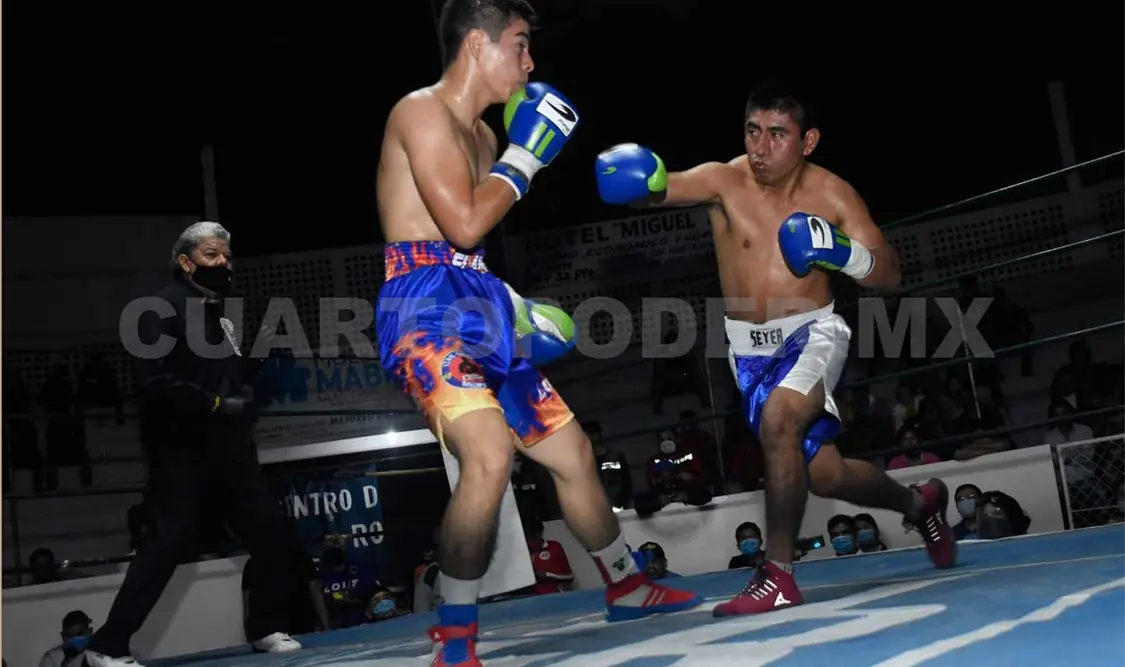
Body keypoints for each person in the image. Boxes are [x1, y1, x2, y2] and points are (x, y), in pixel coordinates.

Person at [373, 1, 701, 663]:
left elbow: (469, 251)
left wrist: (515, 305)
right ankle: (455, 633)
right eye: (519, 45)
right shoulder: (420, 111)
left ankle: (625, 583)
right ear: (477, 43)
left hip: (479, 299)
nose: (529, 63)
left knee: (572, 453)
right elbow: (461, 224)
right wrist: (529, 156)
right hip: (421, 308)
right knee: (489, 451)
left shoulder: (488, 140)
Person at [596, 81, 957, 617]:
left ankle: (778, 574)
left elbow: (890, 271)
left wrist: (840, 253)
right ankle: (919, 503)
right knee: (828, 475)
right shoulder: (724, 180)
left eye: (777, 135)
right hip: (747, 353)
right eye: (752, 131)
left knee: (781, 422)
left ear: (808, 140)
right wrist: (639, 182)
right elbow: (659, 189)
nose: (760, 148)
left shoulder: (834, 194)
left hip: (812, 333)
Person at [84, 222, 310, 667]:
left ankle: (264, 627)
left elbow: (226, 379)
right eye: (212, 255)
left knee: (271, 532)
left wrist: (259, 355)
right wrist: (214, 403)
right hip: (181, 448)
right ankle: (105, 647)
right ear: (186, 262)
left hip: (230, 449)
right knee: (168, 543)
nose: (223, 263)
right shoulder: (158, 308)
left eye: (226, 255)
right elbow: (153, 382)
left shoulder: (217, 314)